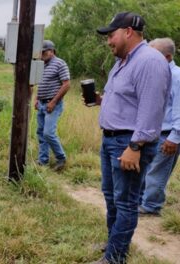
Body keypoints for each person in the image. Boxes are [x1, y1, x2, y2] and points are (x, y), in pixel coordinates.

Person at [90, 12, 171, 264]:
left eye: (111, 35)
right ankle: (113, 245)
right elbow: (129, 99)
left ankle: (114, 258)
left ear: (128, 32)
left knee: (125, 203)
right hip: (112, 141)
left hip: (130, 143)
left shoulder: (150, 61)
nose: (108, 41)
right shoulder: (124, 61)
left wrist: (135, 146)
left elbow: (151, 110)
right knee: (112, 197)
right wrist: (101, 101)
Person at [139, 38, 180, 216]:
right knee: (148, 169)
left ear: (168, 56)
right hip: (153, 132)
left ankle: (151, 206)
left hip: (168, 133)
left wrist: (175, 137)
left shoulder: (177, 76)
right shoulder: (157, 73)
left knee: (157, 171)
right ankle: (145, 201)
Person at [35, 40, 70, 171]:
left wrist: (53, 102)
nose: (42, 54)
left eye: (44, 52)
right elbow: (41, 83)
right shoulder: (41, 65)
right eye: (41, 52)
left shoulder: (60, 63)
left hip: (53, 104)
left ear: (52, 51)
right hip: (42, 103)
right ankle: (43, 161)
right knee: (41, 133)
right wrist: (37, 99)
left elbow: (66, 84)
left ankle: (61, 159)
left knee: (48, 133)